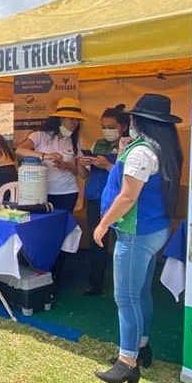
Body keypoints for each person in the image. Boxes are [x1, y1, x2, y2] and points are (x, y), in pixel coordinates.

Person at [93, 93, 182, 383]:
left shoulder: (141, 153)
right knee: (141, 291)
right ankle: (141, 347)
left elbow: (128, 196)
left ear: (139, 121)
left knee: (126, 298)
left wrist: (103, 223)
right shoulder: (161, 149)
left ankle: (126, 363)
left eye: (131, 118)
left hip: (135, 233)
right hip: (155, 230)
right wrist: (122, 152)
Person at [77, 104, 130, 296]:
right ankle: (95, 283)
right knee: (97, 242)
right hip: (95, 199)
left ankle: (124, 286)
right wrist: (81, 164)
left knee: (124, 243)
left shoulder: (131, 146)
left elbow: (129, 176)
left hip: (121, 201)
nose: (106, 131)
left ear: (123, 127)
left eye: (111, 126)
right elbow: (83, 175)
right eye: (104, 126)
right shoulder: (97, 144)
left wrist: (108, 165)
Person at [16, 97, 88, 212]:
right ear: (60, 118)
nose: (76, 123)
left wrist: (66, 166)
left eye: (78, 120)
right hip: (41, 190)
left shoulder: (74, 140)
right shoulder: (40, 135)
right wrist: (44, 156)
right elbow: (20, 150)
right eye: (72, 119)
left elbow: (79, 173)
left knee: (62, 225)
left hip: (67, 192)